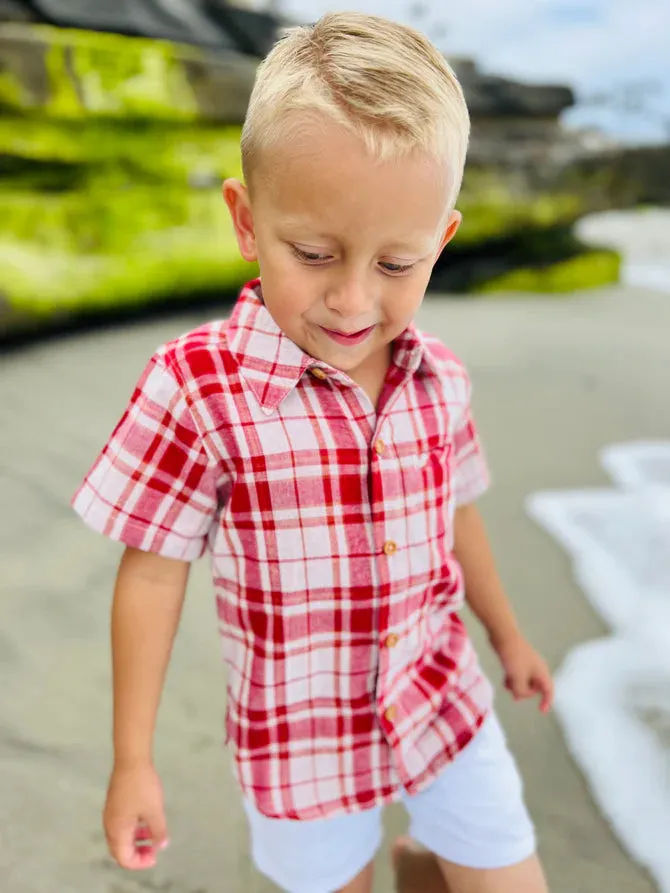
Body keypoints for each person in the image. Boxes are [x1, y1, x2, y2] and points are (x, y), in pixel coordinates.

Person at [71, 12, 554, 893]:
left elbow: (458, 512)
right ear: (247, 220)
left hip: (443, 700)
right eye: (315, 253)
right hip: (300, 745)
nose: (351, 298)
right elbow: (150, 573)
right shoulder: (198, 387)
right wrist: (131, 759)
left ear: (440, 243)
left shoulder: (437, 377)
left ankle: (425, 864)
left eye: (398, 262)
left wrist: (509, 633)